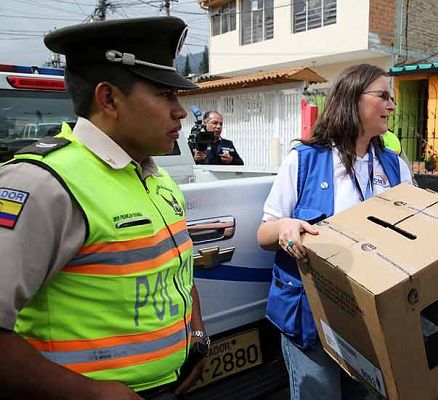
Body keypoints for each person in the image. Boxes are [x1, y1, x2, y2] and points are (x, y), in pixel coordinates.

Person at [0, 17, 209, 399]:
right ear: (109, 99)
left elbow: (178, 270)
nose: (181, 111)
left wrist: (195, 332)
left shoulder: (153, 176)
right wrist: (89, 393)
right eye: (165, 94)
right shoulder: (42, 185)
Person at [256, 64, 413, 399]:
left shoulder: (395, 166)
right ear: (353, 99)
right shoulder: (304, 160)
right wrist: (286, 227)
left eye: (392, 98)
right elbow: (264, 233)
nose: (392, 105)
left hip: (368, 320)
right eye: (383, 96)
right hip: (310, 317)